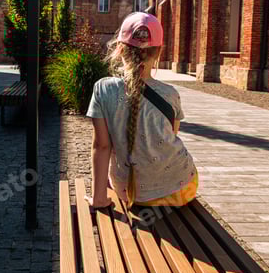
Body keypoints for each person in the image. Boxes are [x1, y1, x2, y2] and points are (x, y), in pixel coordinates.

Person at [85, 12, 198, 209]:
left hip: (129, 191)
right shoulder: (170, 94)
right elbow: (170, 137)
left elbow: (101, 147)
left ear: (119, 48)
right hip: (182, 189)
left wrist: (98, 199)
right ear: (159, 52)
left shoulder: (103, 89)